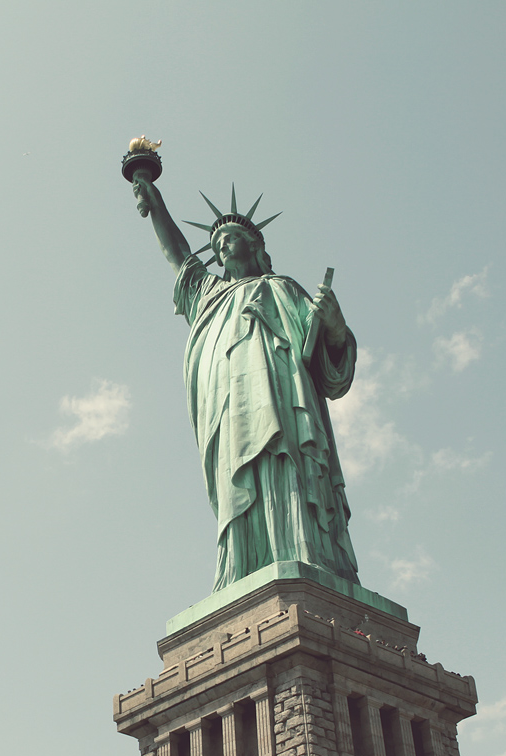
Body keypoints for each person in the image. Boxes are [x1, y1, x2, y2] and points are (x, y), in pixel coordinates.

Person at [132, 175, 360, 590]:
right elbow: (180, 257)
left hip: (284, 395)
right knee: (237, 476)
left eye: (231, 237)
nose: (222, 246)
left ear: (255, 245)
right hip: (227, 404)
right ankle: (243, 566)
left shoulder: (284, 289)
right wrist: (157, 206)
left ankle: (303, 549)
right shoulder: (208, 294)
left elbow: (330, 371)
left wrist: (336, 328)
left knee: (286, 461)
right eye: (216, 243)